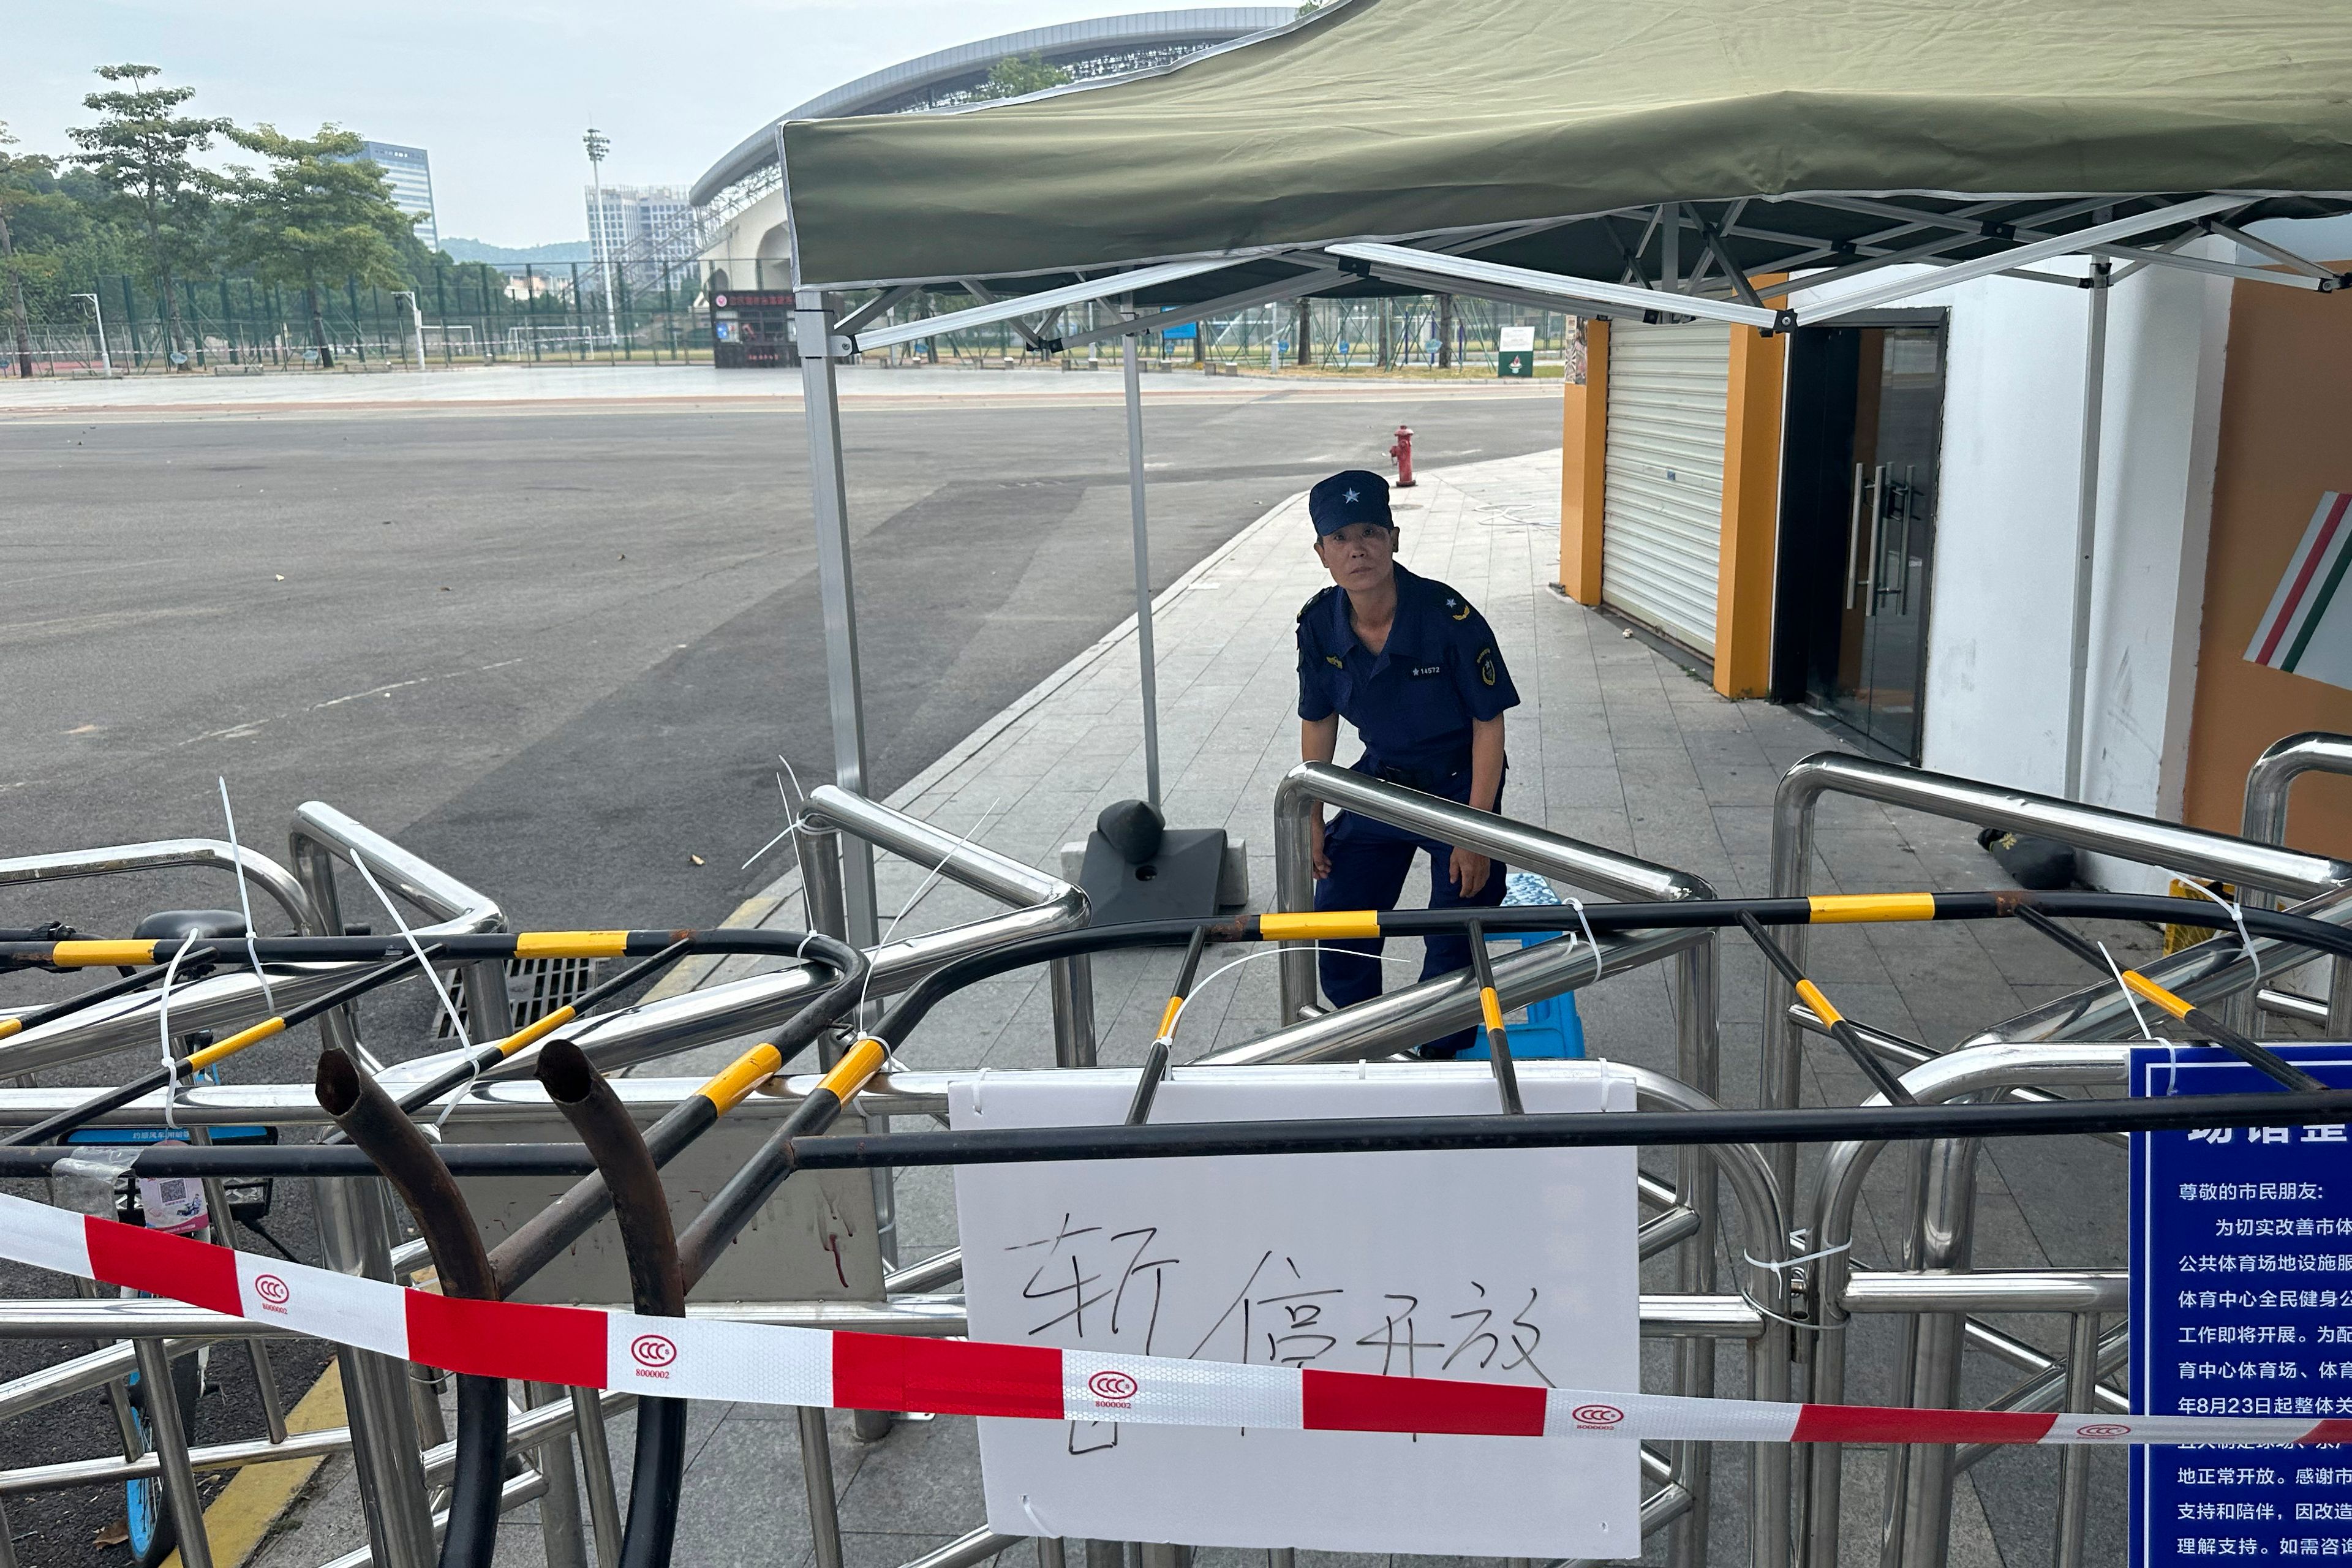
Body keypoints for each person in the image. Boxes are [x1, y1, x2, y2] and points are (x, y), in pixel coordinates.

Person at [1295, 468, 1520, 1057]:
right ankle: (1360, 1041)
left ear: (1393, 538)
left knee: (1456, 930)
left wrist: (1476, 831)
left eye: (1369, 531)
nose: (1357, 549)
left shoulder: (1447, 617)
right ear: (1322, 553)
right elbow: (1319, 718)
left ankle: (1436, 1056)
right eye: (1340, 538)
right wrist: (1313, 816)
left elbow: (1488, 721)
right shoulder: (1319, 624)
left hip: (1458, 785)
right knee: (1338, 914)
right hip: (1382, 784)